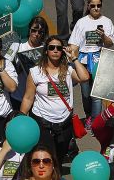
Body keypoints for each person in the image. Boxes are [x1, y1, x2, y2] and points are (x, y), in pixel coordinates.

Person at [19, 36, 90, 164]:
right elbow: (28, 98)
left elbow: (84, 77)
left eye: (58, 48)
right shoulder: (35, 72)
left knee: (59, 159)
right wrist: (21, 119)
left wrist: (74, 58)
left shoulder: (68, 69)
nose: (55, 50)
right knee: (45, 158)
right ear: (46, 51)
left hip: (65, 124)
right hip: (43, 123)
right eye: (51, 48)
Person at [68, 0, 114, 127]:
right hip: (82, 60)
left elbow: (110, 43)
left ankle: (95, 121)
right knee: (86, 93)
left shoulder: (107, 21)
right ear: (88, 6)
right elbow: (74, 43)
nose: (96, 8)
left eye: (99, 6)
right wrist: (71, 57)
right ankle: (89, 115)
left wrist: (103, 36)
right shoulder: (81, 22)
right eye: (93, 5)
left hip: (98, 58)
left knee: (96, 94)